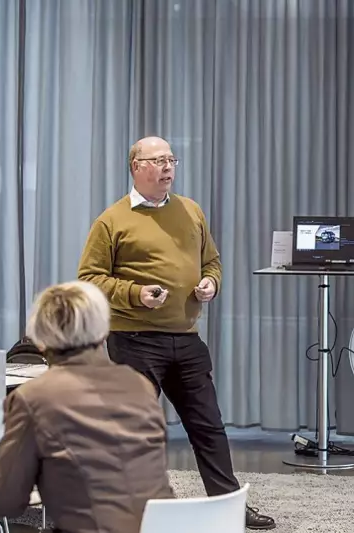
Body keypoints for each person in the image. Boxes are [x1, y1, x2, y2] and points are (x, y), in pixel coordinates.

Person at [77, 136, 275, 530]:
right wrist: (135, 294)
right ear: (136, 167)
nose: (168, 167)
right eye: (159, 160)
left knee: (209, 425)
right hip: (134, 340)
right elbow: (89, 278)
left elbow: (212, 261)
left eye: (172, 160)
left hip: (185, 339)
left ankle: (229, 505)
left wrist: (211, 284)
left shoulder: (191, 210)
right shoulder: (111, 220)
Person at [0, 281, 174, 532]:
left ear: (40, 340)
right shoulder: (140, 385)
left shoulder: (34, 397)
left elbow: (3, 501)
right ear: (104, 334)